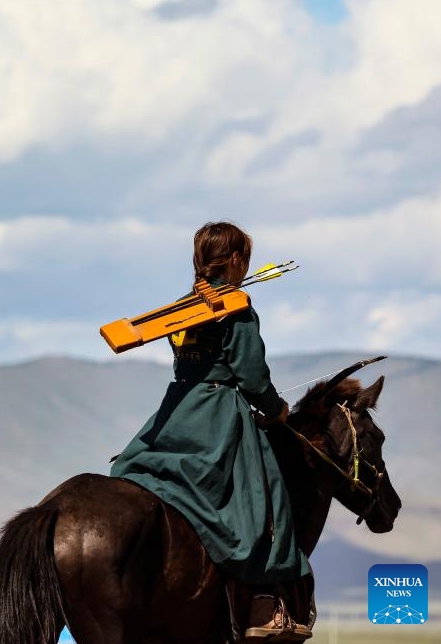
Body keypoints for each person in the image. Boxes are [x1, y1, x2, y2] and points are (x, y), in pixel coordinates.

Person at [109, 221, 312, 643]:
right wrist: (276, 409)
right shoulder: (235, 305)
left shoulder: (180, 309)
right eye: (246, 260)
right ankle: (262, 606)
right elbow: (251, 374)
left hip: (176, 410)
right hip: (219, 413)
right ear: (236, 260)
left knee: (130, 470)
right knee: (265, 498)